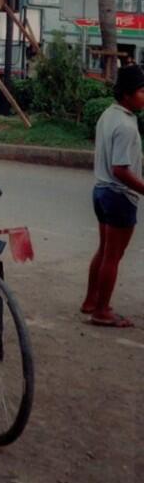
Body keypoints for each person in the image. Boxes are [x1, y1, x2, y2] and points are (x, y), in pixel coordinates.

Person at [81, 64, 144, 327]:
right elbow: (120, 169)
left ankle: (90, 301)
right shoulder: (126, 126)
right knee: (113, 255)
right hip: (118, 194)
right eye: (142, 91)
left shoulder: (108, 115)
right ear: (127, 95)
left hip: (101, 191)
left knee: (105, 250)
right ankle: (102, 310)